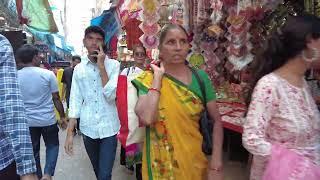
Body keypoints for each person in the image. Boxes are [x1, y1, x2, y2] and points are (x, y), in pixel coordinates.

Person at [132, 24, 224, 180]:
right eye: (171, 42)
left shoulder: (201, 78)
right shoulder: (148, 79)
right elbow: (147, 118)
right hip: (160, 167)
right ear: (160, 48)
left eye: (183, 42)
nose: (178, 47)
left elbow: (217, 121)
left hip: (193, 163)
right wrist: (157, 79)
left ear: (189, 46)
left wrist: (216, 163)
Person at [242, 14, 320, 180]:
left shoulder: (303, 83)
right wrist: (294, 163)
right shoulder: (270, 86)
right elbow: (251, 138)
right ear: (309, 42)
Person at [64, 26, 120, 180]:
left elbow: (110, 95)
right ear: (84, 42)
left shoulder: (114, 65)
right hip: (88, 128)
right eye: (90, 38)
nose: (94, 43)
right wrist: (70, 133)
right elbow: (75, 99)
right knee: (97, 170)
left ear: (104, 43)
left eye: (99, 39)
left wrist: (102, 67)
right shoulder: (79, 69)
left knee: (104, 174)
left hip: (110, 127)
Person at [16, 44, 67, 180]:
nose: (41, 58)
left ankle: (37, 176)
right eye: (39, 56)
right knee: (53, 145)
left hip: (28, 122)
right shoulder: (48, 74)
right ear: (33, 58)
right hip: (47, 120)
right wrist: (62, 117)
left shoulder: (15, 76)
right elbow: (56, 98)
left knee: (34, 151)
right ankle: (48, 174)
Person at [0, 35, 38, 180]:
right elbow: (10, 107)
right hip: (27, 126)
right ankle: (44, 173)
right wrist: (27, 170)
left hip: (25, 125)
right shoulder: (48, 75)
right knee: (42, 147)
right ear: (34, 58)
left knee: (35, 147)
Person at [119, 45, 146, 180]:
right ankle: (130, 164)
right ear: (134, 55)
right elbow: (121, 93)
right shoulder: (126, 72)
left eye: (142, 54)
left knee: (142, 142)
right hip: (130, 112)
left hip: (144, 111)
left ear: (145, 56)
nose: (140, 57)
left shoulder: (150, 72)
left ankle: (140, 172)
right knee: (131, 138)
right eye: (137, 54)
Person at [61, 55, 81, 132]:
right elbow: (64, 84)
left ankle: (78, 128)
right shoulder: (66, 71)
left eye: (79, 62)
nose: (77, 63)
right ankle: (73, 130)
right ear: (72, 61)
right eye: (76, 61)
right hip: (69, 95)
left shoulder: (81, 71)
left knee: (79, 112)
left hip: (79, 95)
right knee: (72, 112)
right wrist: (62, 96)